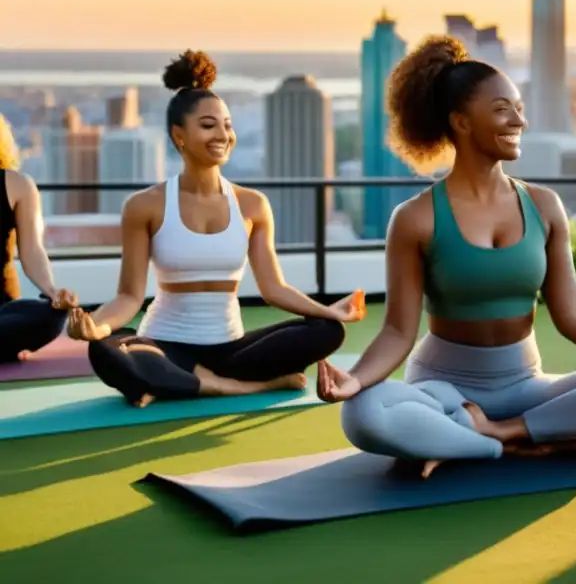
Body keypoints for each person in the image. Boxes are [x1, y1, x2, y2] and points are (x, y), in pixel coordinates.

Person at [315, 35, 576, 478]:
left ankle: (497, 433)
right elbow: (399, 332)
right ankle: (511, 444)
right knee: (362, 413)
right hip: (443, 390)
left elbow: (573, 316)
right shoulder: (415, 218)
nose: (519, 119)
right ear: (460, 121)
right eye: (502, 109)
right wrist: (356, 380)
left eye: (518, 107)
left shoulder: (544, 206)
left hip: (524, 386)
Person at [66, 50, 366, 407]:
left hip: (231, 350)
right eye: (208, 125)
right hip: (166, 345)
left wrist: (329, 311)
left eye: (227, 124)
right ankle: (237, 387)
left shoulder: (252, 205)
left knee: (327, 331)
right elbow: (129, 296)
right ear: (179, 136)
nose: (222, 134)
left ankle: (183, 384)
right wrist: (97, 326)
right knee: (106, 350)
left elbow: (274, 288)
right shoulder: (144, 206)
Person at [0, 114, 79, 363]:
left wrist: (53, 291)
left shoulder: (18, 185)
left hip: (2, 313)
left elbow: (33, 250)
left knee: (52, 315)